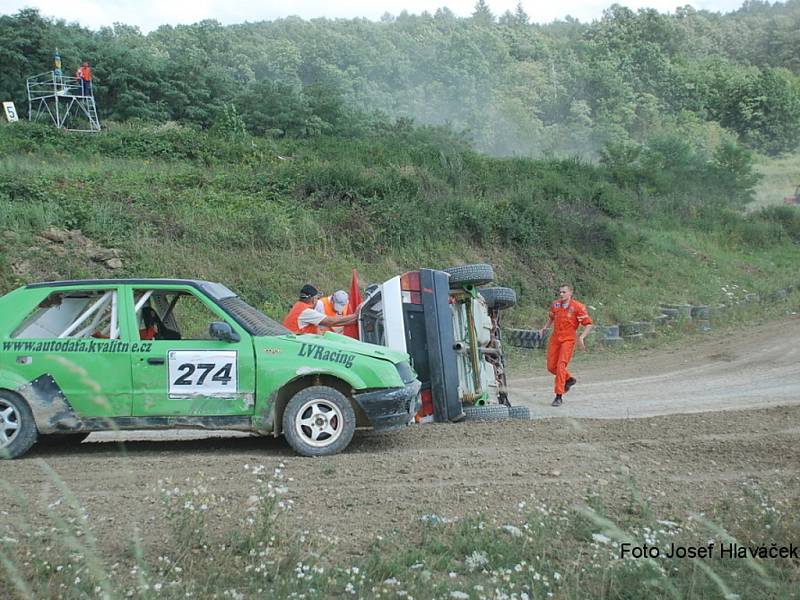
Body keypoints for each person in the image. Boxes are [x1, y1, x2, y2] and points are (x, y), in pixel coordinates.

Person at [539, 284, 593, 407]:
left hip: (568, 339)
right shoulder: (555, 304)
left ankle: (558, 396)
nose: (561, 294)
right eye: (560, 292)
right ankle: (569, 379)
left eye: (564, 292)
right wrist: (544, 328)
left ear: (570, 293)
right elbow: (551, 318)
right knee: (551, 367)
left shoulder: (578, 307)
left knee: (560, 365)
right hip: (555, 338)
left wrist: (581, 337)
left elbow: (589, 324)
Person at [283, 284, 358, 335]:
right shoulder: (306, 311)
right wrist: (355, 316)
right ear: (312, 299)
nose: (317, 300)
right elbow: (330, 321)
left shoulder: (299, 305)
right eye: (316, 298)